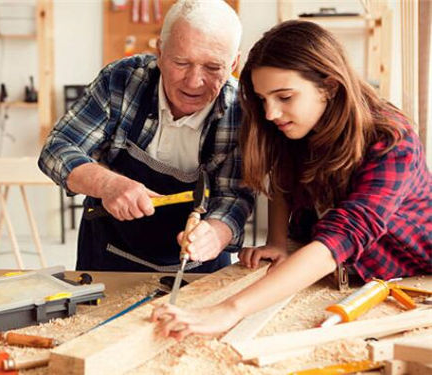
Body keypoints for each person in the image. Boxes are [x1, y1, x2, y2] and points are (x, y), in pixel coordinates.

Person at [151, 20, 432, 339]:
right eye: (263, 98)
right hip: (339, 270)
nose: (270, 113)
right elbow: (282, 180)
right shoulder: (294, 124)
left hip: (408, 270)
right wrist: (278, 241)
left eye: (284, 97)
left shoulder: (392, 140)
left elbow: (344, 236)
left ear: (329, 86)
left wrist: (229, 309)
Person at [38, 0, 254, 273]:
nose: (193, 82)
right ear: (160, 51)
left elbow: (234, 195)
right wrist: (107, 184)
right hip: (109, 254)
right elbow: (57, 149)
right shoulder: (123, 80)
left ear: (233, 62)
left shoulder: (241, 111)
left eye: (212, 68)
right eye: (181, 62)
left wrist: (216, 233)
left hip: (196, 266)